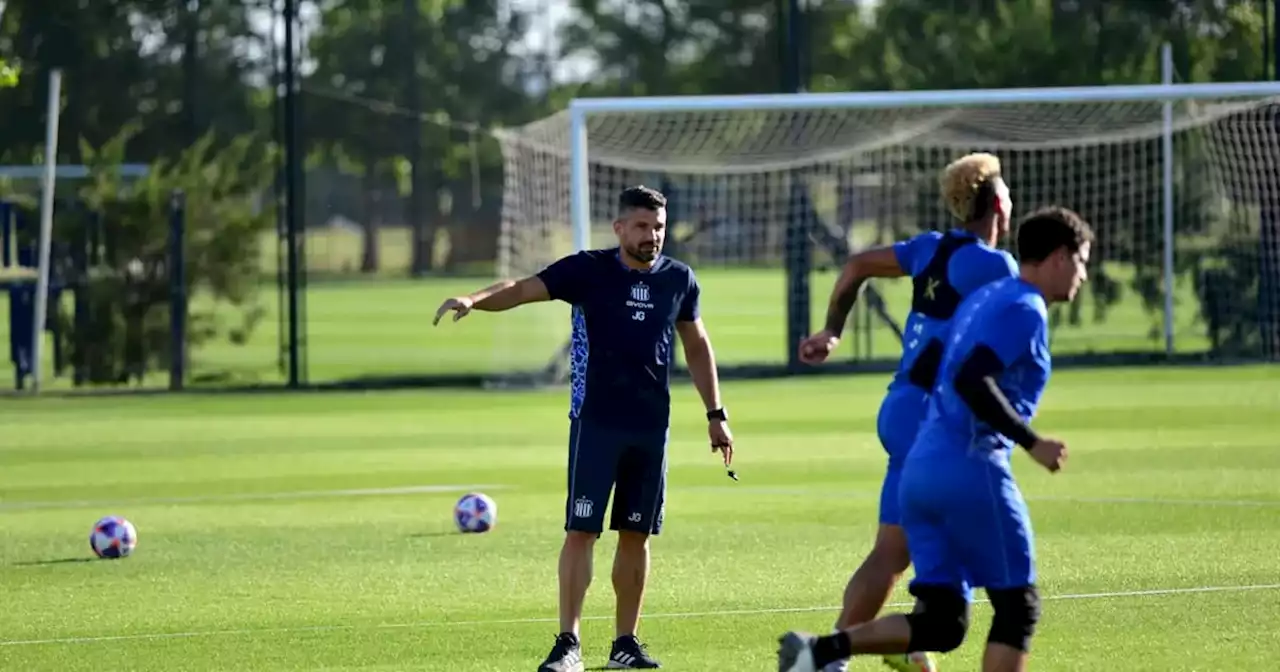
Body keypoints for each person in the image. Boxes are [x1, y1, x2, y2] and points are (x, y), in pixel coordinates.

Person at [777, 205, 1094, 672]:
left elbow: (927, 364)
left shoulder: (981, 300)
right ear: (1060, 257)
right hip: (970, 466)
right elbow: (971, 378)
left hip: (921, 469)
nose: (1084, 274)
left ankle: (821, 651)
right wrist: (1032, 442)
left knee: (943, 622)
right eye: (1083, 260)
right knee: (1017, 608)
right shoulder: (1024, 308)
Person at [433, 185, 734, 672]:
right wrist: (474, 299)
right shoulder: (588, 271)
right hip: (595, 423)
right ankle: (568, 643)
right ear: (618, 228)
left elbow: (697, 345)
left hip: (651, 427)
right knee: (582, 530)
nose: (651, 235)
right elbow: (522, 287)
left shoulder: (680, 279)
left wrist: (715, 413)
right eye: (640, 226)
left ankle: (625, 645)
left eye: (657, 227)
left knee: (637, 535)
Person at [796, 153, 1020, 672]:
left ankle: (841, 655)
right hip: (936, 419)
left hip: (899, 408)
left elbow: (855, 265)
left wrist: (833, 329)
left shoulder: (927, 248)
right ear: (997, 202)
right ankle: (901, 637)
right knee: (954, 537)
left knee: (892, 552)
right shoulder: (994, 266)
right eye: (1006, 193)